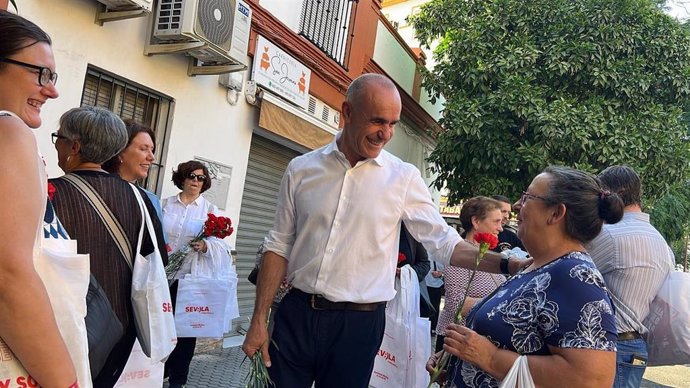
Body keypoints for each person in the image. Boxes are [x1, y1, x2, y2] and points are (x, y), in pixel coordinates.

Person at [242, 73, 527, 388]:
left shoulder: (402, 178)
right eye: (378, 121)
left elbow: (446, 245)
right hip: (295, 315)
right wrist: (258, 320)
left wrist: (508, 264)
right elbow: (278, 245)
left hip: (359, 324)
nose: (385, 134)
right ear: (347, 112)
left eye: (393, 124)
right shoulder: (301, 169)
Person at [430, 166, 623, 388]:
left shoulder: (575, 277)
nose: (516, 206)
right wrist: (458, 360)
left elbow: (592, 380)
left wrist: (490, 358)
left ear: (556, 213)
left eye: (528, 197)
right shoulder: (536, 266)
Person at [49, 106, 168, 388]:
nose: (57, 145)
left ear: (74, 146)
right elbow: (157, 260)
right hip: (119, 330)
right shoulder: (140, 200)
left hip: (58, 326)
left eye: (59, 138)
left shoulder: (49, 192)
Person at [0, 10, 78, 388]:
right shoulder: (8, 131)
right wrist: (65, 382)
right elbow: (7, 275)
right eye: (41, 73)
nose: (52, 90)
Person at [585, 165, 675, 388]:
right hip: (634, 346)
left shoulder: (609, 236)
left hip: (608, 346)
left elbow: (565, 272)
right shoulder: (661, 243)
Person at [162, 160, 235, 388]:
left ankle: (178, 379)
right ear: (182, 178)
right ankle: (158, 370)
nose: (195, 181)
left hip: (189, 279)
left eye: (201, 178)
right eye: (191, 176)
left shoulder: (210, 210)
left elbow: (222, 247)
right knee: (160, 326)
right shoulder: (165, 204)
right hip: (162, 275)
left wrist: (206, 247)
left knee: (185, 332)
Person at [434, 196, 506, 352]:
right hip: (457, 341)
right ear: (476, 222)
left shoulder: (488, 256)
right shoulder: (460, 255)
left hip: (475, 341)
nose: (501, 228)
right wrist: (503, 304)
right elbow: (456, 303)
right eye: (496, 221)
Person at [102, 119, 164, 220]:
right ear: (120, 151)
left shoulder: (150, 200)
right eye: (143, 149)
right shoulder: (94, 191)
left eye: (152, 150)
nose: (152, 157)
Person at [424, 259, 445, 335]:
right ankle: (424, 326)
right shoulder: (425, 250)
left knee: (434, 306)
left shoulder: (442, 254)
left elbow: (448, 268)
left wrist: (441, 274)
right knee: (424, 306)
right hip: (424, 282)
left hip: (436, 284)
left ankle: (432, 327)